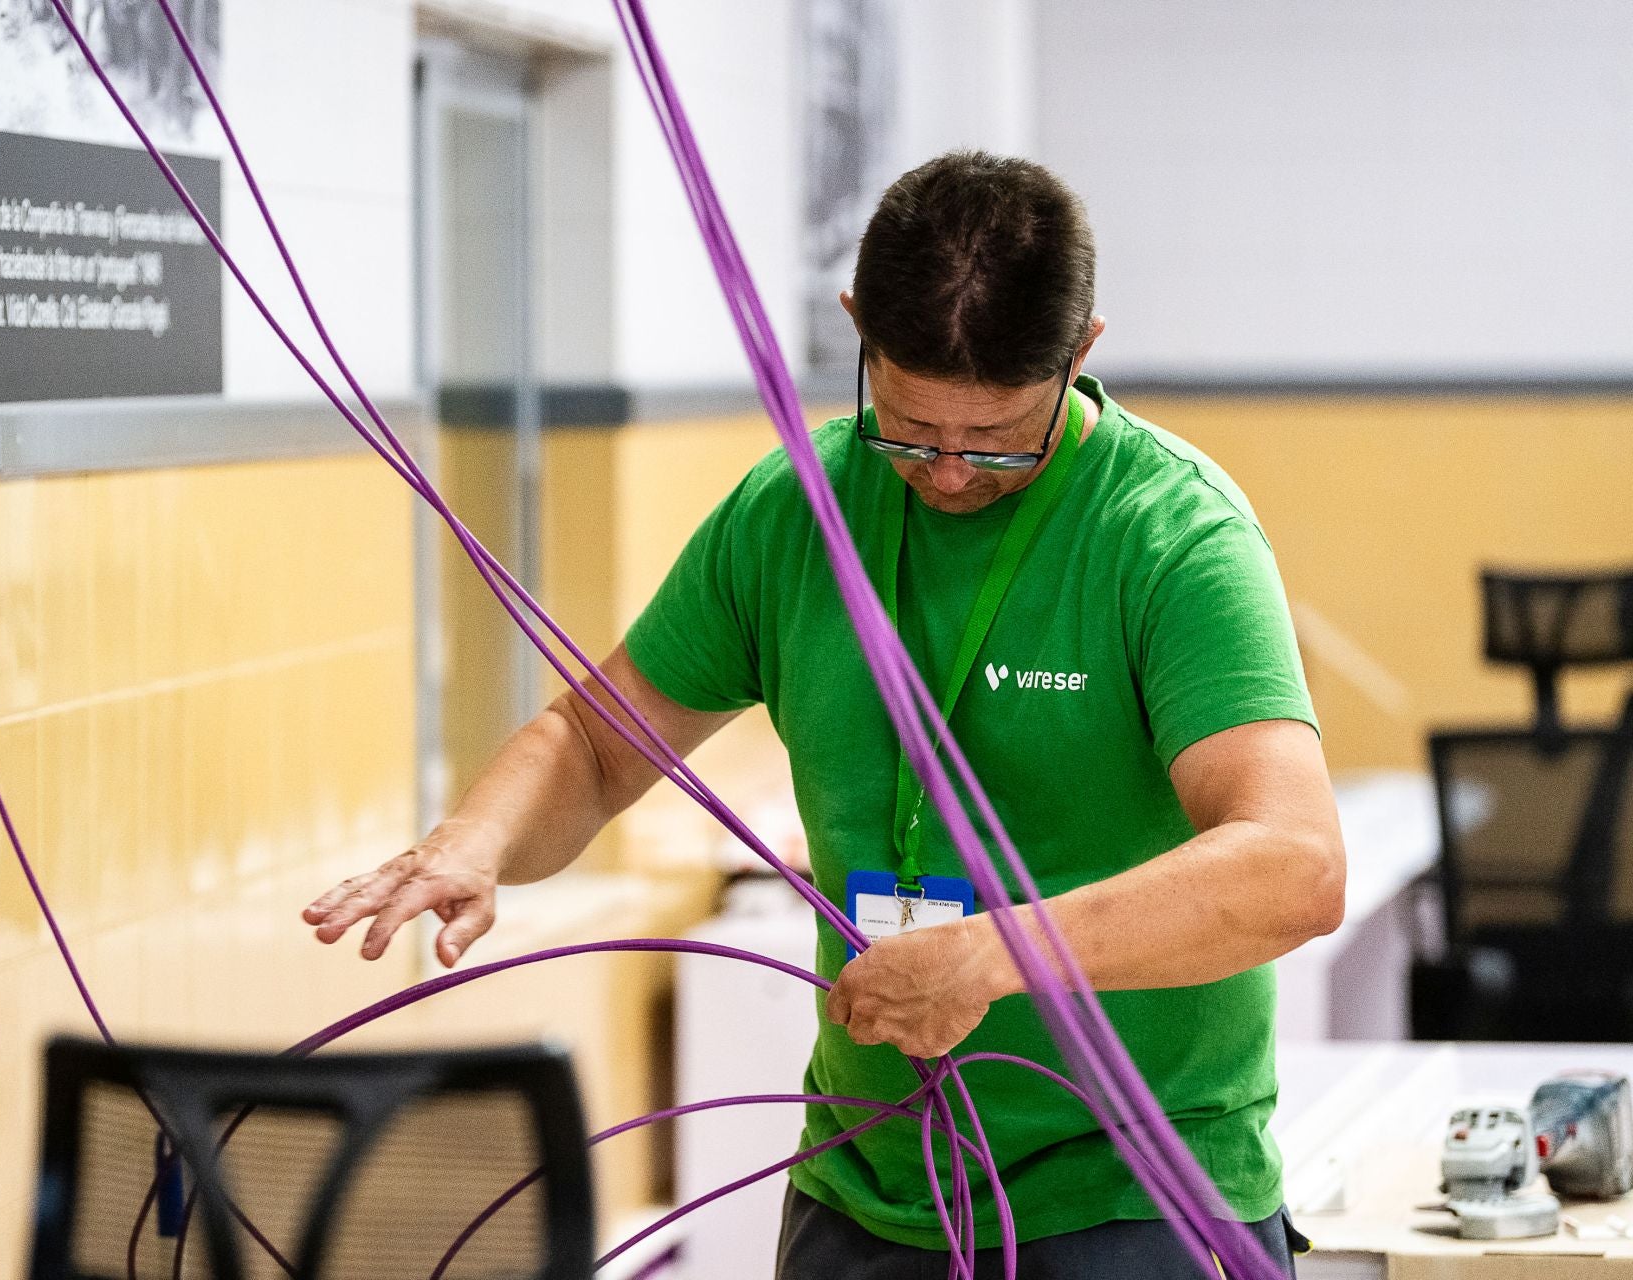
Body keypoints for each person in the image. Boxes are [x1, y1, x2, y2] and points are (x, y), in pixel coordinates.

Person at [303, 151, 1344, 1278]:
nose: (947, 472)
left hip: (1134, 1196)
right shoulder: (795, 508)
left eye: (997, 439)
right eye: (907, 426)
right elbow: (596, 744)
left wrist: (999, 953)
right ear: (855, 326)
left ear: (1081, 352)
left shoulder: (1172, 537)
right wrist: (481, 836)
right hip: (867, 1187)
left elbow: (1292, 864)